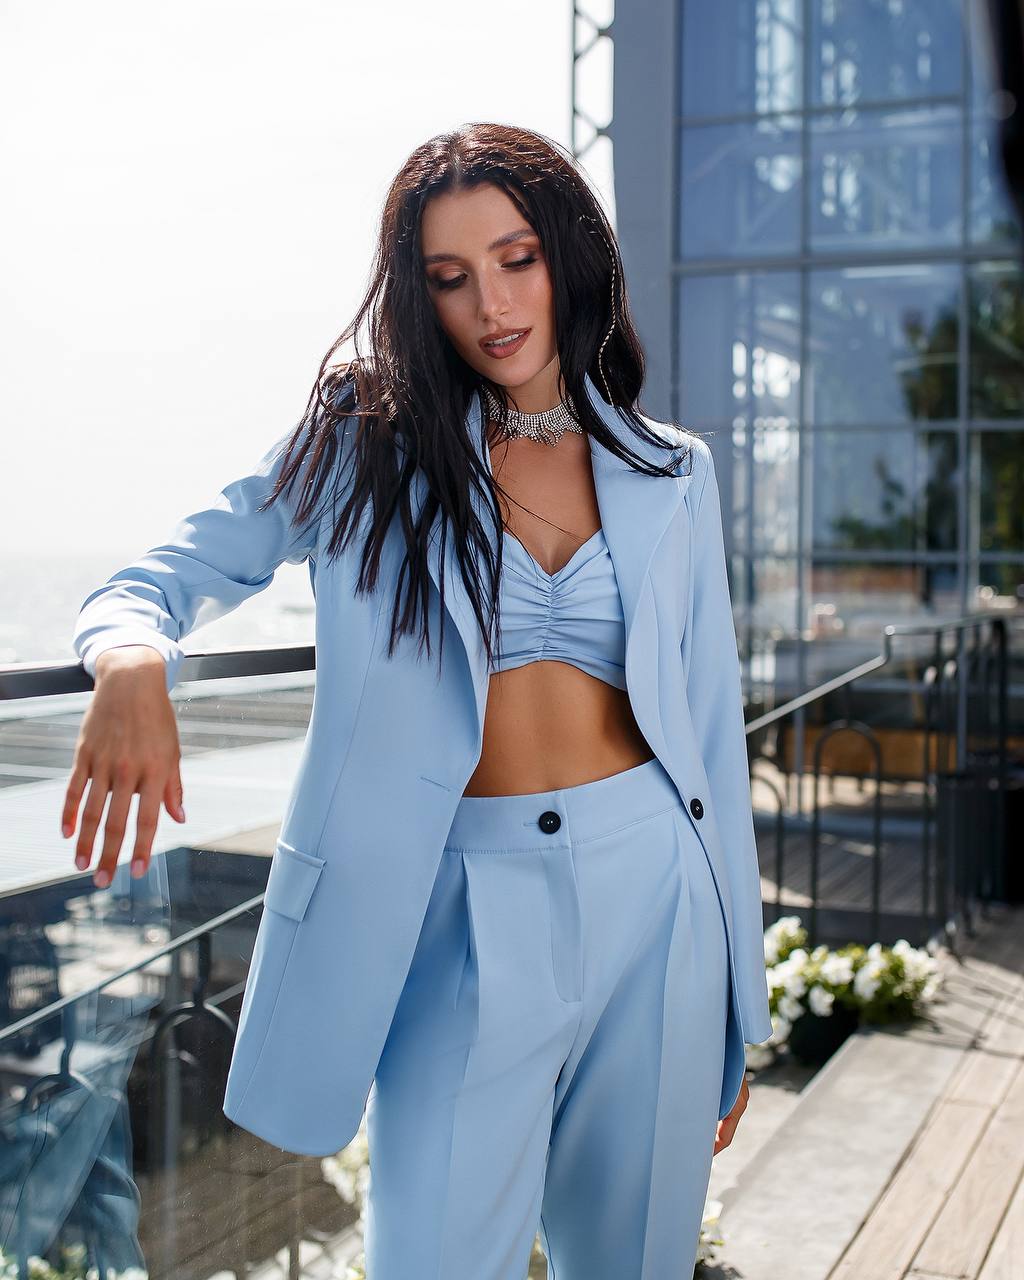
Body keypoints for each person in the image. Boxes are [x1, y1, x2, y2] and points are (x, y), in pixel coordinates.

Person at [62, 122, 774, 1279]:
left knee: (637, 1261)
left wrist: (742, 1002)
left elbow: (708, 743)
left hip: (659, 900)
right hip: (455, 913)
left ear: (569, 256)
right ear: (415, 294)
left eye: (515, 259)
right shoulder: (361, 447)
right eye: (449, 279)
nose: (490, 303)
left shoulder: (668, 469)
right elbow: (158, 575)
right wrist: (132, 658)